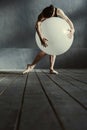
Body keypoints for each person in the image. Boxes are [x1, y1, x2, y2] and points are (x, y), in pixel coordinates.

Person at [23, 5, 75, 74]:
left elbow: (67, 19)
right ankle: (31, 66)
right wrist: (41, 38)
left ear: (51, 15)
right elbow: (37, 26)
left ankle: (49, 68)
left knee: (53, 49)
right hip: (47, 32)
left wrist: (73, 29)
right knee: (45, 50)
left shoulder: (58, 11)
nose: (44, 18)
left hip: (57, 31)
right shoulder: (42, 14)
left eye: (46, 18)